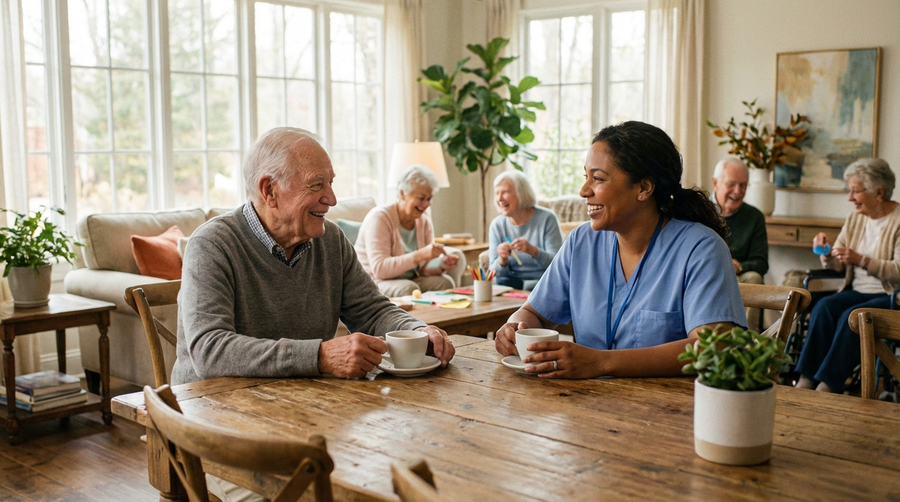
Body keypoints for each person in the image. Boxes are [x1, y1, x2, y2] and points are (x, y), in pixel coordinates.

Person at [173, 128, 456, 501]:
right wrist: (320, 355)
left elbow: (371, 310)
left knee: (410, 469)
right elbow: (210, 352)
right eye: (317, 185)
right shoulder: (212, 245)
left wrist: (417, 329)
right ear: (268, 191)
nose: (331, 198)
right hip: (219, 426)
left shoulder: (331, 240)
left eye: (331, 183)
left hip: (304, 415)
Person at [494, 121, 746, 379]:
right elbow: (536, 313)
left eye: (598, 178)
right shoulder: (582, 241)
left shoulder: (701, 248)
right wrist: (515, 327)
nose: (584, 190)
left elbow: (714, 348)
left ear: (644, 188)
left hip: (668, 411)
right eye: (586, 177)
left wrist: (600, 363)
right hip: (583, 404)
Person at [795, 158, 900, 394]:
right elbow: (837, 263)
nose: (849, 197)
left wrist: (860, 260)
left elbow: (898, 271)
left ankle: (829, 385)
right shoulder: (855, 218)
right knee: (824, 307)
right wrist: (825, 250)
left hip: (891, 297)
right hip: (857, 291)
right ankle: (806, 378)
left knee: (850, 317)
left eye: (855, 191)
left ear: (879, 192)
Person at [355, 164, 465, 297]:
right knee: (410, 288)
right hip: (374, 281)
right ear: (402, 194)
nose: (426, 204)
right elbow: (379, 269)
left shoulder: (424, 222)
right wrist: (420, 255)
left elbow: (423, 270)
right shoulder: (380, 218)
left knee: (445, 282)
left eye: (429, 199)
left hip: (409, 279)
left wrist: (442, 263)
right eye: (421, 198)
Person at [711, 157, 769, 328]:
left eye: (743, 185)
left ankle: (748, 341)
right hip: (706, 271)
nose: (738, 191)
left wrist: (739, 266)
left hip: (739, 277)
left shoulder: (754, 217)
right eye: (731, 184)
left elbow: (761, 263)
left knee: (755, 278)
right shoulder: (700, 210)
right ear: (715, 183)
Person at [488, 170, 563, 290]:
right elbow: (494, 275)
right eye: (497, 193)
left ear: (521, 193)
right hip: (511, 285)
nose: (499, 198)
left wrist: (534, 251)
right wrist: (502, 260)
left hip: (544, 284)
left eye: (505, 192)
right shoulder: (497, 225)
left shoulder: (547, 219)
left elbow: (559, 265)